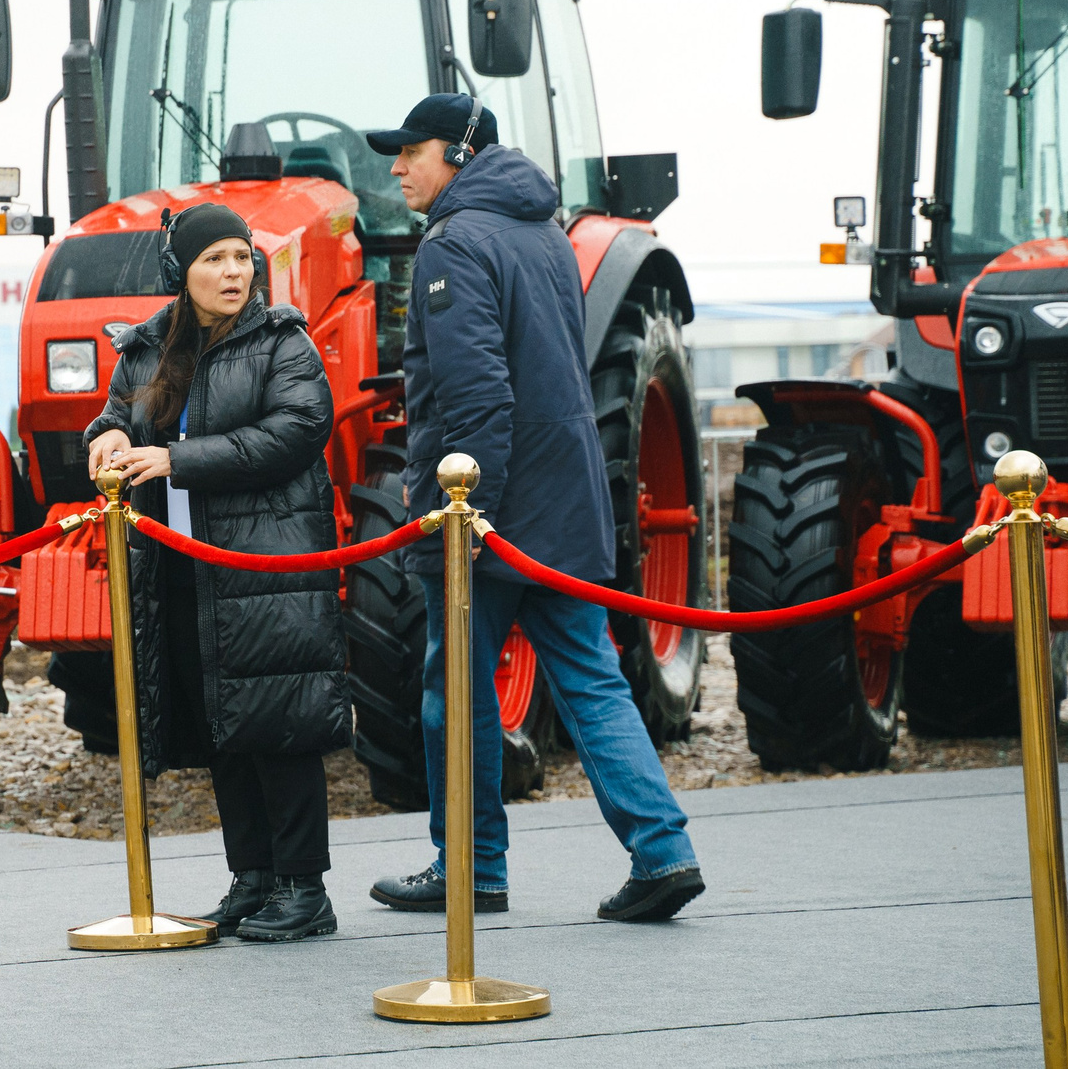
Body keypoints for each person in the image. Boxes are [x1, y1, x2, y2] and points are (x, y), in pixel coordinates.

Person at [361, 92, 705, 923]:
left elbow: (477, 394)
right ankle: (663, 852)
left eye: (412, 151)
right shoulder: (543, 231)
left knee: (456, 687)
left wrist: (466, 517)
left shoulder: (453, 243)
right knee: (590, 677)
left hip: (488, 509)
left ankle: (472, 868)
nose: (398, 168)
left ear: (459, 154)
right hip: (563, 499)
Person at [86, 200, 349, 943]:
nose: (234, 272)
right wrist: (104, 439)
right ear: (183, 271)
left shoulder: (283, 341)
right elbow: (116, 415)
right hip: (184, 565)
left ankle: (304, 890)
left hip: (264, 564)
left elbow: (297, 430)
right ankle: (254, 879)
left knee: (280, 725)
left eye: (241, 257)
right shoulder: (148, 348)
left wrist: (179, 460)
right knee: (223, 723)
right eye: (215, 260)